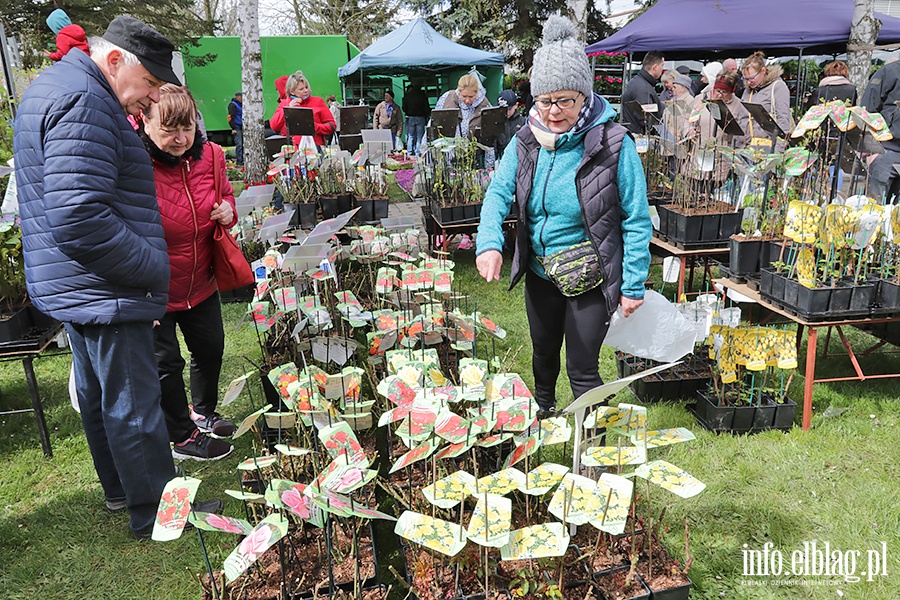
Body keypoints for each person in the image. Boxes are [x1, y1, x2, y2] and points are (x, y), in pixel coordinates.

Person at [13, 15, 219, 540]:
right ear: (113, 61)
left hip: (77, 284)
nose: (150, 101)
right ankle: (156, 512)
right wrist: (152, 268)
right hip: (105, 287)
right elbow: (80, 215)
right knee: (134, 404)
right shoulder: (85, 99)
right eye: (149, 85)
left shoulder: (62, 86)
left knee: (102, 396)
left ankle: (121, 490)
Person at [475, 15, 652, 414]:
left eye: (564, 101)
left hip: (590, 275)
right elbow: (499, 192)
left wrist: (633, 284)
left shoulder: (612, 144)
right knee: (543, 356)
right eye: (544, 100)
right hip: (541, 273)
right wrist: (488, 243)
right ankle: (543, 419)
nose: (553, 111)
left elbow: (637, 219)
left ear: (584, 96)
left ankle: (596, 450)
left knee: (583, 367)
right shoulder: (525, 141)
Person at [138, 84, 237, 461]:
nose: (181, 139)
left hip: (200, 277)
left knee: (210, 348)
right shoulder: (133, 163)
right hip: (155, 286)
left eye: (188, 128)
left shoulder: (210, 155)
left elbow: (225, 194)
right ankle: (181, 434)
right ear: (145, 121)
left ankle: (204, 412)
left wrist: (228, 210)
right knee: (167, 363)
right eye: (170, 130)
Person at [862, 60, 900, 200]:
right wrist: (871, 150)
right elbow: (868, 110)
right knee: (875, 209)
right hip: (886, 151)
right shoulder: (888, 71)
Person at [269, 70, 336, 149]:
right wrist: (288, 110)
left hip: (317, 148)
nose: (306, 91)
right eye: (301, 89)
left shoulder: (318, 101)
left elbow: (332, 126)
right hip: (294, 150)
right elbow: (274, 126)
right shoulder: (285, 103)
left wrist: (314, 127)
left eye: (306, 87)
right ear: (292, 92)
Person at [740, 51, 791, 149]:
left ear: (763, 71)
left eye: (751, 78)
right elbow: (742, 119)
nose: (749, 82)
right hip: (748, 148)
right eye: (746, 79)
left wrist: (778, 153)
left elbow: (783, 121)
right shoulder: (748, 90)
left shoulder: (778, 87)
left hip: (769, 147)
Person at [620, 50, 664, 134]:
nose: (662, 69)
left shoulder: (638, 82)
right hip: (639, 139)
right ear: (655, 67)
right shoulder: (643, 88)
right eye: (662, 65)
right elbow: (646, 120)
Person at [434, 74, 491, 138]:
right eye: (464, 96)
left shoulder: (485, 103)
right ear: (459, 91)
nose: (467, 100)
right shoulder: (447, 97)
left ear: (477, 92)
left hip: (475, 145)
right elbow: (434, 122)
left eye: (471, 97)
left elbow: (491, 130)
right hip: (449, 144)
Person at [494, 89, 525, 160]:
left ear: (516, 105)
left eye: (509, 109)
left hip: (518, 158)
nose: (506, 112)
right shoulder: (495, 121)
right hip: (500, 158)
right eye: (503, 109)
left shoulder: (522, 122)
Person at [402, 82, 430, 155]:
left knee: (410, 136)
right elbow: (426, 107)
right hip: (420, 117)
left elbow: (404, 107)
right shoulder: (422, 95)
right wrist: (426, 116)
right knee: (419, 137)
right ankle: (418, 153)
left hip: (411, 117)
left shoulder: (408, 95)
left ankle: (409, 152)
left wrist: (408, 112)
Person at [227, 91, 243, 166]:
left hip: (242, 127)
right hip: (237, 128)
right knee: (239, 145)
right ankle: (239, 161)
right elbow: (230, 118)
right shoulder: (233, 105)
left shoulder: (240, 105)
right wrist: (233, 128)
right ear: (238, 97)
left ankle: (242, 160)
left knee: (242, 145)